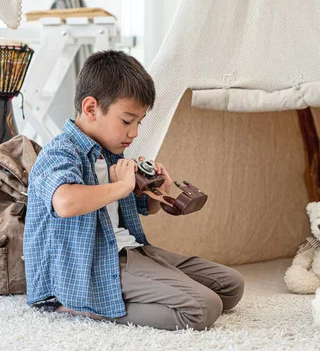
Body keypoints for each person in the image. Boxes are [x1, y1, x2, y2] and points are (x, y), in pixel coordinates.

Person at [24, 50, 244, 331]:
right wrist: (120, 186)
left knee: (230, 286)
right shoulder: (61, 152)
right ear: (91, 109)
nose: (135, 133)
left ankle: (147, 290)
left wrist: (158, 191)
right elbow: (65, 202)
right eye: (127, 121)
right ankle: (81, 305)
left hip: (133, 250)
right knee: (203, 308)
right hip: (92, 265)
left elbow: (145, 209)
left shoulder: (114, 155)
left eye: (139, 122)